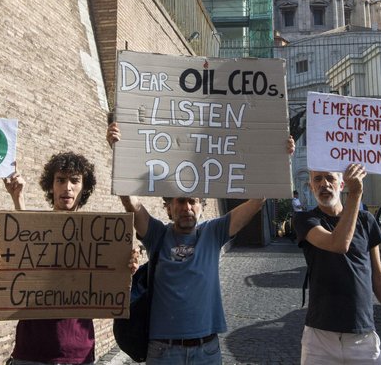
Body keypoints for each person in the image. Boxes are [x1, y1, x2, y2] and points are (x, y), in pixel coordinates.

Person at [107, 122, 294, 365]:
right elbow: (131, 203)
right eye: (180, 201)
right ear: (169, 207)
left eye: (193, 201)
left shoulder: (213, 232)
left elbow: (257, 201)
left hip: (206, 351)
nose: (187, 208)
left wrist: (281, 159)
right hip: (164, 352)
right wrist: (117, 152)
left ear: (202, 204)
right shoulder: (156, 235)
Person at [0, 153, 137, 365]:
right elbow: (27, 241)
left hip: (78, 351)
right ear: (51, 186)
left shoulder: (97, 238)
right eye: (60, 180)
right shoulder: (36, 232)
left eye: (75, 180)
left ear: (84, 187)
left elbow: (109, 282)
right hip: (31, 351)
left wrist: (123, 267)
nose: (67, 187)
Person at [293, 167, 381, 365]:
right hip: (320, 338)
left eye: (330, 178)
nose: (324, 184)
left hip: (363, 337)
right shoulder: (305, 219)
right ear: (311, 187)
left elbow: (378, 278)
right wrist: (356, 194)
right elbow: (339, 244)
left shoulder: (366, 220)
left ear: (341, 184)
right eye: (317, 179)